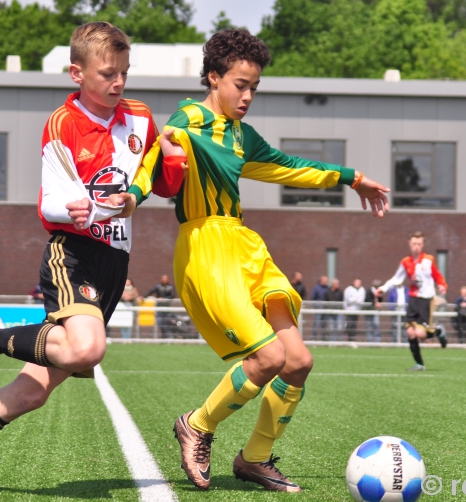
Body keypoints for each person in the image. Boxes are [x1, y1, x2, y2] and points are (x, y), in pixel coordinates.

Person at [0, 22, 186, 495]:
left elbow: (162, 185)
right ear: (76, 73)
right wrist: (72, 208)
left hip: (114, 263)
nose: (119, 82)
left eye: (125, 72)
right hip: (74, 254)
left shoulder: (141, 117)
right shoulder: (62, 124)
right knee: (88, 348)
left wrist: (171, 158)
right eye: (108, 73)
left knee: (30, 393)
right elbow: (47, 204)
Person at [135, 28, 389, 493]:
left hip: (245, 244)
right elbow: (156, 156)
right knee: (268, 356)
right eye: (240, 84)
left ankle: (253, 459)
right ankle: (197, 425)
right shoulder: (188, 117)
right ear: (213, 77)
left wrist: (353, 178)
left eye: (254, 87)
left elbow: (289, 166)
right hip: (205, 248)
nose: (248, 95)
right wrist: (130, 198)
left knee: (297, 361)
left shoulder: (241, 136)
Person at [376, 231, 448, 372]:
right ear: (409, 244)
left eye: (419, 244)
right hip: (413, 299)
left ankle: (439, 331)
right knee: (410, 332)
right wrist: (383, 289)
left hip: (426, 299)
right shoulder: (405, 262)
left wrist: (442, 285)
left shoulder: (428, 260)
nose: (416, 246)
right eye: (414, 244)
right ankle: (419, 364)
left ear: (423, 245)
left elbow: (437, 275)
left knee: (421, 334)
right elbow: (396, 278)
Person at [309, 275, 329, 341]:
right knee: (316, 324)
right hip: (318, 308)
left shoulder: (328, 288)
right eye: (326, 280)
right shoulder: (316, 288)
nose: (327, 282)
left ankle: (323, 338)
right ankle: (314, 338)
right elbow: (313, 298)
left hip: (325, 309)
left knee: (324, 324)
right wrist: (316, 306)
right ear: (322, 280)